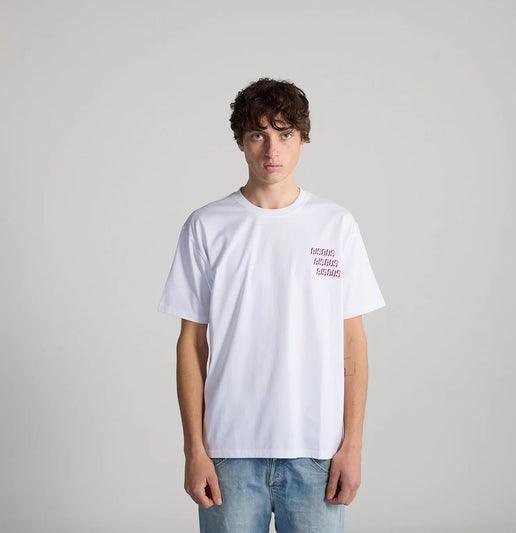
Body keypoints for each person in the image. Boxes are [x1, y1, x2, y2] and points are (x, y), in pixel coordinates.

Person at [158, 77, 386, 533]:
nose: (271, 150)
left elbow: (352, 342)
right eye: (258, 135)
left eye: (284, 134)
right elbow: (191, 345)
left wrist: (353, 446)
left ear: (303, 140)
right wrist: (194, 451)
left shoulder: (336, 225)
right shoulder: (207, 226)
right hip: (229, 454)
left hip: (318, 452)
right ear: (240, 142)